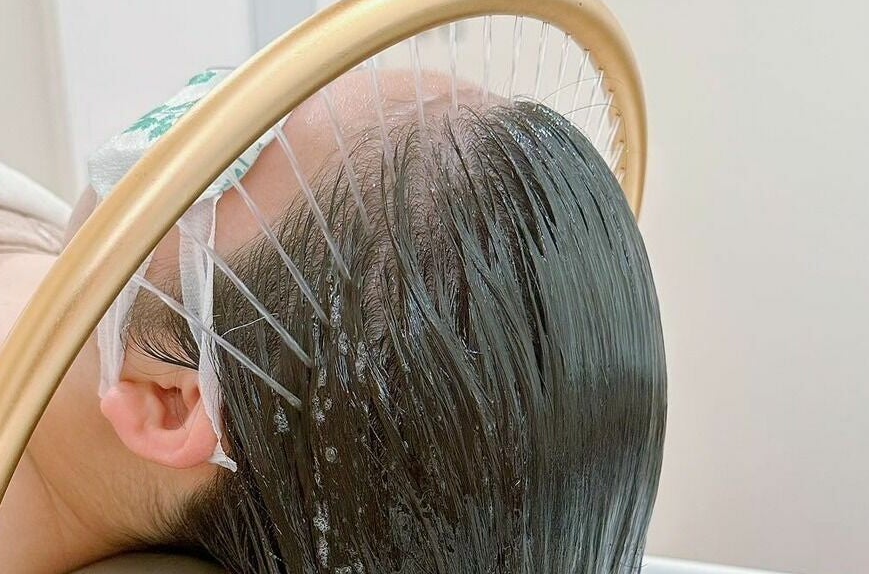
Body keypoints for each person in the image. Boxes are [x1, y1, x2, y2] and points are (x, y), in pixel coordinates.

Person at [0, 70, 666, 574]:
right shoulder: (76, 291)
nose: (215, 97)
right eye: (293, 72)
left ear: (170, 401)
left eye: (244, 142)